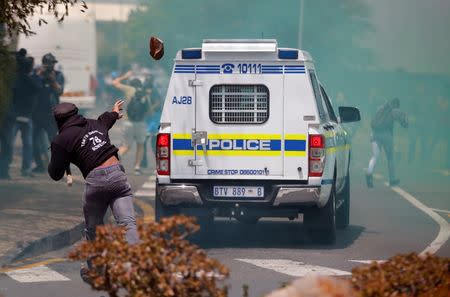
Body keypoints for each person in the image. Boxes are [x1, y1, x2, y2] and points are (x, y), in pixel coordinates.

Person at [47, 100, 139, 280]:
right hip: (117, 174)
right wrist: (114, 112)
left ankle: (96, 269)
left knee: (93, 228)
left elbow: (55, 173)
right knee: (128, 223)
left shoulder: (61, 139)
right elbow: (106, 119)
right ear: (76, 114)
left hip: (96, 182)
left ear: (57, 120)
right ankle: (136, 266)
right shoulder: (93, 123)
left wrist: (58, 154)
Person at [112, 71, 150, 175]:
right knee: (140, 144)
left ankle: (117, 156)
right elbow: (149, 109)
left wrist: (125, 75)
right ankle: (137, 167)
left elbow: (114, 82)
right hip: (141, 123)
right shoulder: (144, 93)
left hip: (128, 122)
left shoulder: (129, 90)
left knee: (126, 145)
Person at [32, 53, 64, 173]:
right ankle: (40, 165)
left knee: (53, 142)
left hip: (51, 114)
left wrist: (52, 80)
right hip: (37, 112)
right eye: (47, 63)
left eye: (52, 63)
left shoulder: (58, 75)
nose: (50, 66)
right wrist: (38, 75)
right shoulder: (38, 75)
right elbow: (33, 87)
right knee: (33, 141)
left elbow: (59, 91)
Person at [366, 98, 408, 188]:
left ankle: (369, 172)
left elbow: (374, 119)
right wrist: (405, 124)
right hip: (386, 135)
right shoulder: (395, 110)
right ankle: (392, 180)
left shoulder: (380, 108)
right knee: (390, 158)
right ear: (396, 105)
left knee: (375, 156)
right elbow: (404, 122)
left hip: (374, 134)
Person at [10, 56, 41, 177]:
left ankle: (8, 168)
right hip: (21, 116)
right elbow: (37, 87)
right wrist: (36, 75)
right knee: (26, 144)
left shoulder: (17, 78)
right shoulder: (28, 79)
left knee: (11, 143)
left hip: (20, 116)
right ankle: (25, 169)